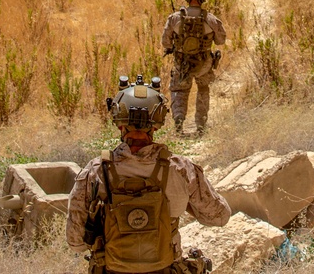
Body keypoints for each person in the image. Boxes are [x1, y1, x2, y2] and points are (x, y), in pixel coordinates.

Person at [66, 74, 230, 274]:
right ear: (156, 125)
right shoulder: (180, 169)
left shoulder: (95, 172)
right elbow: (219, 217)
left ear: (119, 123)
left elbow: (75, 242)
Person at [161, 0, 226, 135]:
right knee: (203, 90)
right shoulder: (210, 19)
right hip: (203, 63)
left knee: (179, 91)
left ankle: (178, 120)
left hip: (181, 63)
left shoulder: (175, 18)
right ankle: (201, 125)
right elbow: (220, 41)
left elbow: (165, 42)